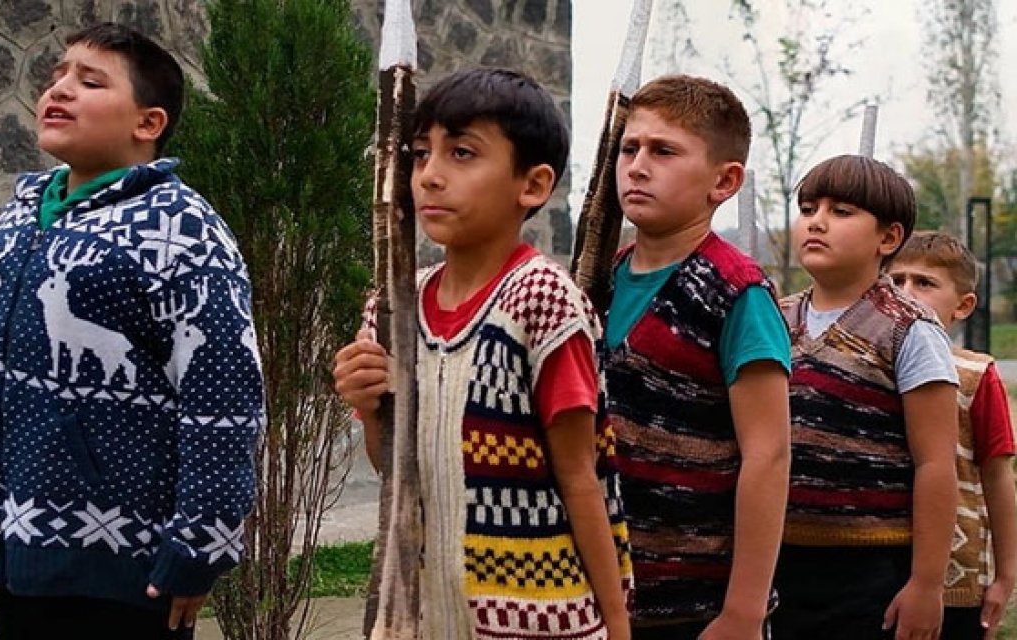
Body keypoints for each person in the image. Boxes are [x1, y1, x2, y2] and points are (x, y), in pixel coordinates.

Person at [0, 22, 264, 640]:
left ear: (147, 123)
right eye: (58, 75)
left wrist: (198, 547)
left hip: (129, 573)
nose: (60, 89)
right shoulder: (19, 217)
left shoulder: (182, 231)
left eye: (89, 81)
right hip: (20, 553)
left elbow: (224, 401)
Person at [333, 67, 632, 639]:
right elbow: (393, 469)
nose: (429, 177)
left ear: (534, 185)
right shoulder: (393, 306)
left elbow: (579, 477)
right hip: (423, 616)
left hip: (537, 620)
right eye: (421, 155)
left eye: (462, 153)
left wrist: (616, 625)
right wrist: (370, 404)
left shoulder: (543, 303)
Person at [602, 74, 791, 639]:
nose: (636, 166)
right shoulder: (597, 279)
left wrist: (742, 611)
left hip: (697, 607)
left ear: (724, 180)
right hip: (601, 594)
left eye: (664, 151)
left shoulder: (738, 293)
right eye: (629, 148)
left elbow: (770, 456)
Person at [774, 155, 959, 639]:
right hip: (775, 561)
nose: (817, 221)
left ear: (888, 238)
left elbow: (936, 464)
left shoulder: (909, 329)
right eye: (809, 207)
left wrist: (926, 583)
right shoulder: (773, 318)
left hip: (870, 574)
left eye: (841, 211)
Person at [887, 230, 1016, 640]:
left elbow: (998, 478)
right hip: (874, 567)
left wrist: (1005, 575)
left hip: (954, 580)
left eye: (924, 283)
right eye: (896, 280)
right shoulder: (865, 367)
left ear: (963, 305)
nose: (907, 293)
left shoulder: (977, 377)